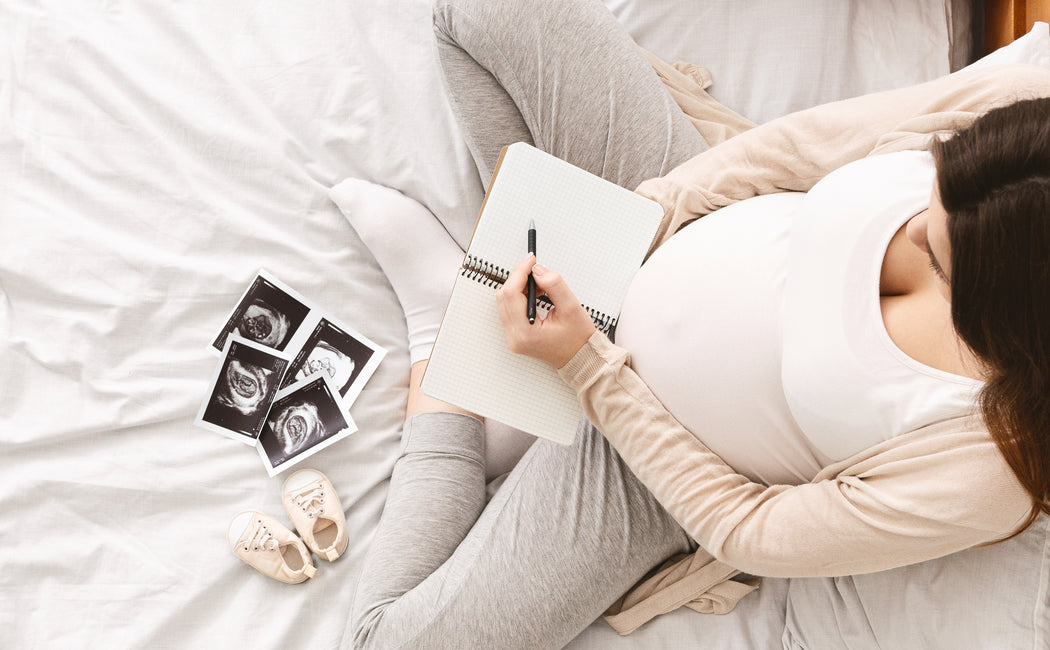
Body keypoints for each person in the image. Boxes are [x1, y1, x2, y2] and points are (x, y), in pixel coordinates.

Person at [329, 0, 1050, 647]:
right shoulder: (1021, 135)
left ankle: (440, 333)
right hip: (672, 214)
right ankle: (510, 295)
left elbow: (753, 532)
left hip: (649, 464)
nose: (918, 225)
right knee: (477, 13)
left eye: (943, 259)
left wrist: (587, 368)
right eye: (932, 194)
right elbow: (796, 148)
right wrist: (629, 226)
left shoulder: (996, 468)